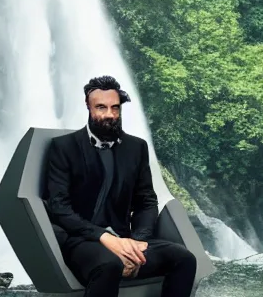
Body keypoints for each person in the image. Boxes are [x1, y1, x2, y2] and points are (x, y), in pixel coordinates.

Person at [45, 75, 197, 297]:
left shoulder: (137, 147)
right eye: (101, 108)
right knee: (110, 264)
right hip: (81, 241)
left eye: (115, 108)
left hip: (128, 239)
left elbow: (146, 201)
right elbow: (59, 208)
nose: (109, 115)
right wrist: (105, 238)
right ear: (88, 106)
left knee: (184, 258)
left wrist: (137, 242)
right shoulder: (63, 147)